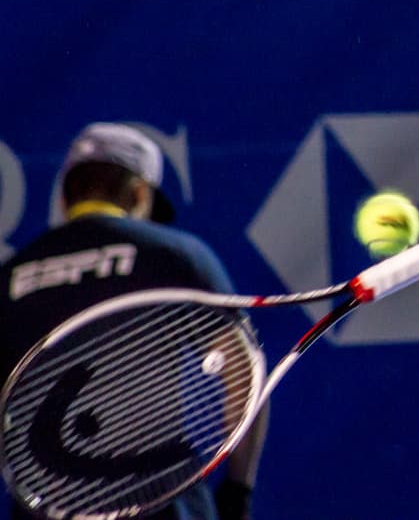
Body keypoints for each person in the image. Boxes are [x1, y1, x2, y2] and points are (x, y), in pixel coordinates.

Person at [0, 123, 266, 520]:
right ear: (140, 192)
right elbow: (245, 377)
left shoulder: (9, 277)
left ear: (65, 194)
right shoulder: (177, 255)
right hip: (167, 508)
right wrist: (237, 492)